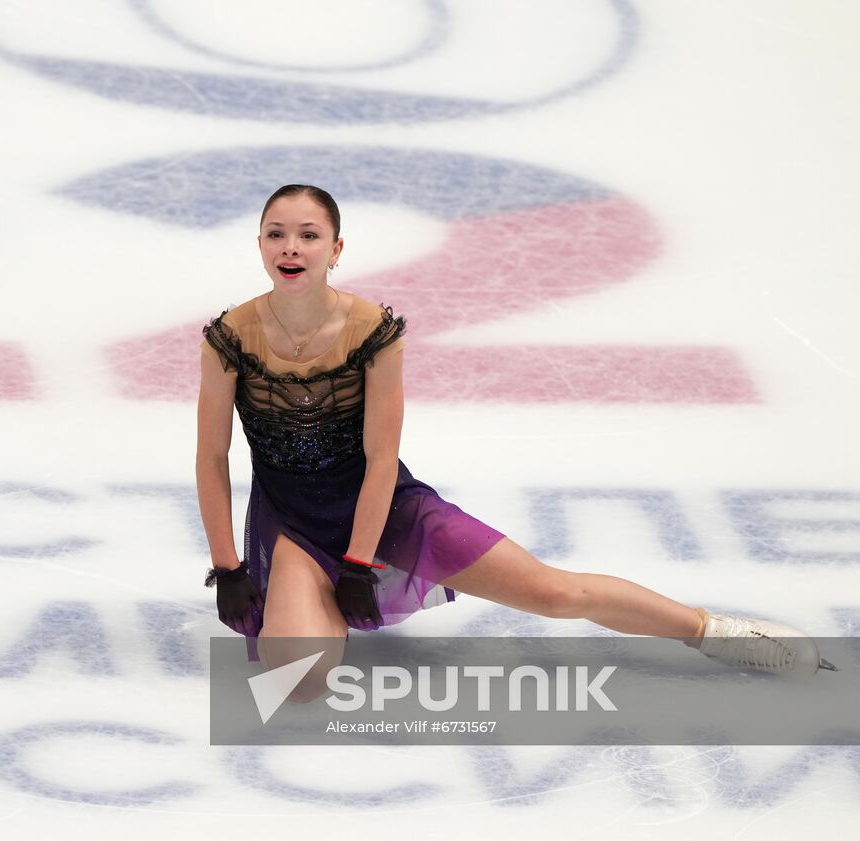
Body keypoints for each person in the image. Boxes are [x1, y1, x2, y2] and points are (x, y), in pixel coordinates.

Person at [195, 184, 835, 692]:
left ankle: (714, 631)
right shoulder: (230, 334)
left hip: (386, 508)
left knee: (554, 593)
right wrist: (229, 567)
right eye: (277, 234)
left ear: (336, 249)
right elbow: (212, 457)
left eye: (310, 235)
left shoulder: (373, 329)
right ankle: (313, 595)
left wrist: (361, 563)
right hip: (294, 525)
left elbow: (381, 455)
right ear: (259, 244)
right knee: (301, 680)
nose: (292, 246)